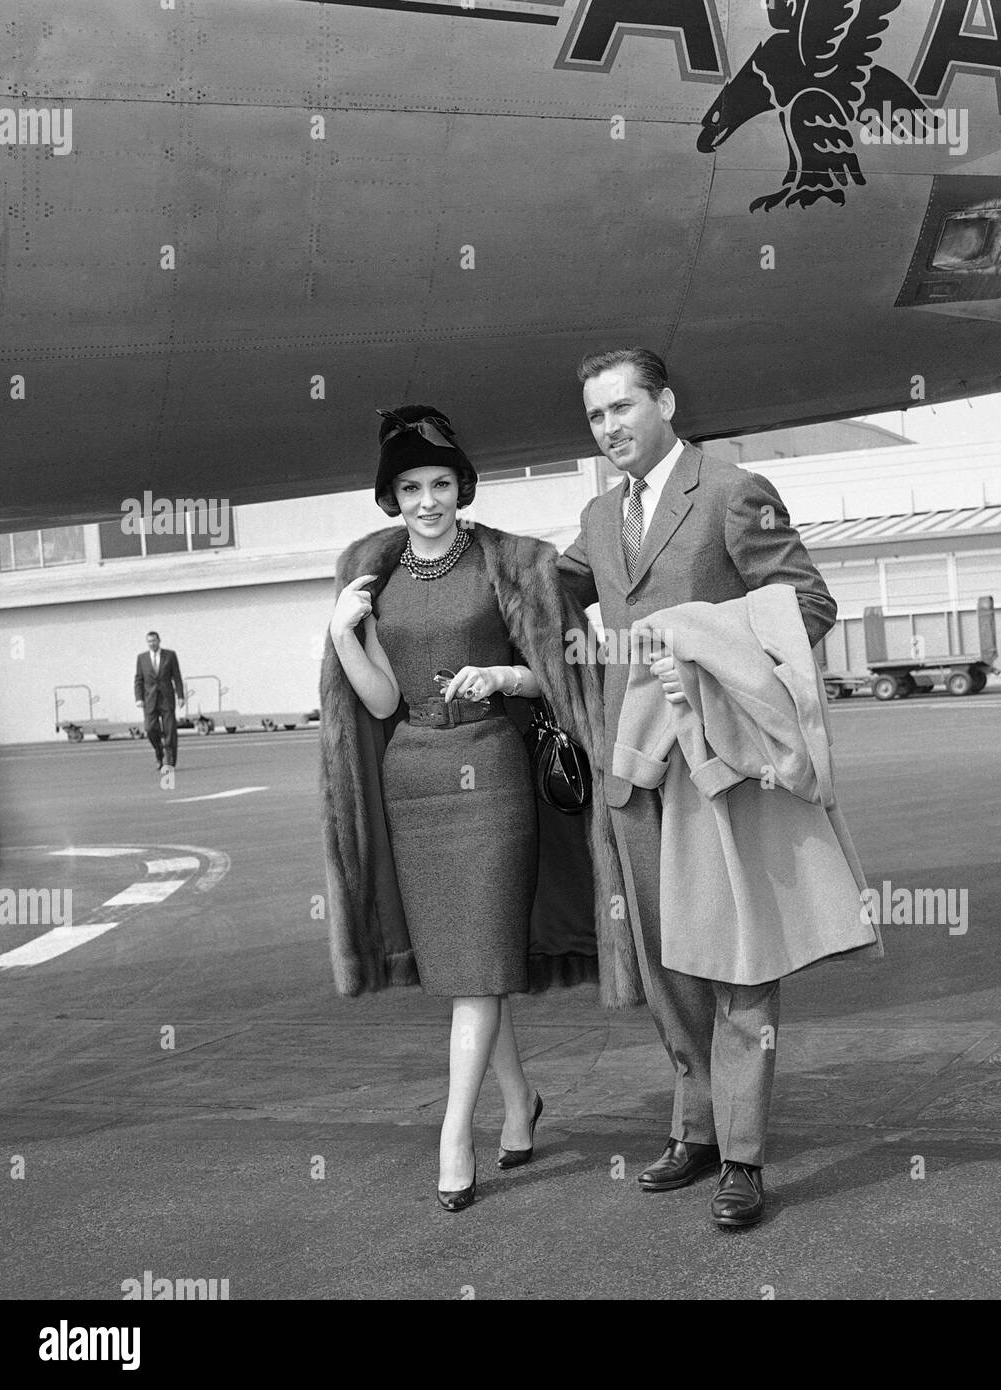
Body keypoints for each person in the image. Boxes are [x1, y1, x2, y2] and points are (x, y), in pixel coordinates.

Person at [319, 405, 639, 1213]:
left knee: (477, 966)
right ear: (391, 496)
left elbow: (563, 673)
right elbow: (382, 699)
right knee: (471, 968)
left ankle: (453, 1136)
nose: (428, 500)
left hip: (491, 773)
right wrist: (343, 635)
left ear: (461, 485)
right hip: (412, 778)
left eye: (440, 483)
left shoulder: (513, 565)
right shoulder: (373, 576)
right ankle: (520, 1102)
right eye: (410, 487)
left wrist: (500, 679)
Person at [558, 348, 840, 1229]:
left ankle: (744, 1156)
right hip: (632, 770)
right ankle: (698, 1127)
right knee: (666, 955)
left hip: (718, 766)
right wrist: (432, 555)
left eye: (623, 407)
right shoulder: (601, 517)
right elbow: (543, 595)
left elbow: (807, 605)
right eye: (596, 415)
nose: (610, 427)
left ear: (666, 402)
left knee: (739, 960)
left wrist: (707, 662)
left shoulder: (730, 490)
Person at [134, 631, 185, 772]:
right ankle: (159, 752)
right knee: (150, 729)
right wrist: (138, 698)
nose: (152, 643)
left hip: (166, 698)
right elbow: (138, 679)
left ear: (159, 641)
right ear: (147, 643)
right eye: (149, 641)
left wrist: (180, 695)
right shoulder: (142, 658)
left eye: (154, 641)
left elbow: (177, 676)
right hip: (150, 700)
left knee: (169, 731)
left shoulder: (170, 655)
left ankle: (170, 761)